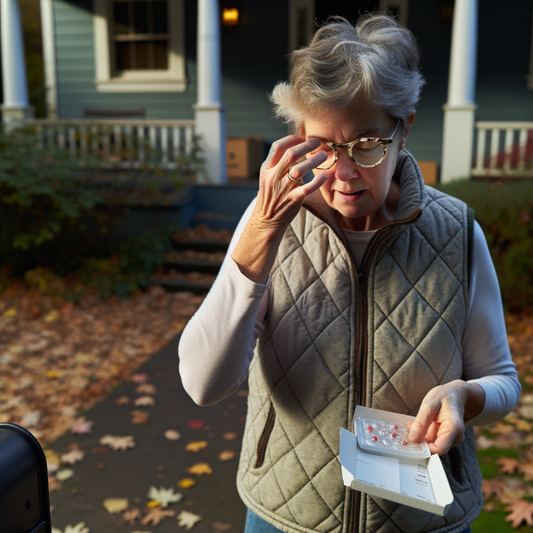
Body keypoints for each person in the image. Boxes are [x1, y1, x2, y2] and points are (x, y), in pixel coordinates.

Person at [178, 13, 521, 533]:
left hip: (421, 520)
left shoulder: (457, 232)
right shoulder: (267, 221)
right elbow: (204, 384)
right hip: (287, 515)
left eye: (365, 145)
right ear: (299, 135)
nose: (342, 173)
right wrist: (260, 238)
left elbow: (503, 381)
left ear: (403, 127)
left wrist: (464, 397)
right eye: (323, 146)